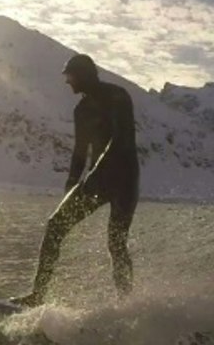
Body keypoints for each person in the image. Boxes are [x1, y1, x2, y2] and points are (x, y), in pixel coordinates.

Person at [12, 53, 140, 307]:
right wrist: (71, 184)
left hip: (124, 179)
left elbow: (120, 138)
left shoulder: (117, 96)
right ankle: (38, 295)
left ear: (84, 75)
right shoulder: (81, 110)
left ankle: (127, 304)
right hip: (97, 180)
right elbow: (80, 151)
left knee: (116, 243)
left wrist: (96, 174)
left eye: (70, 76)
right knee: (55, 226)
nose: (67, 82)